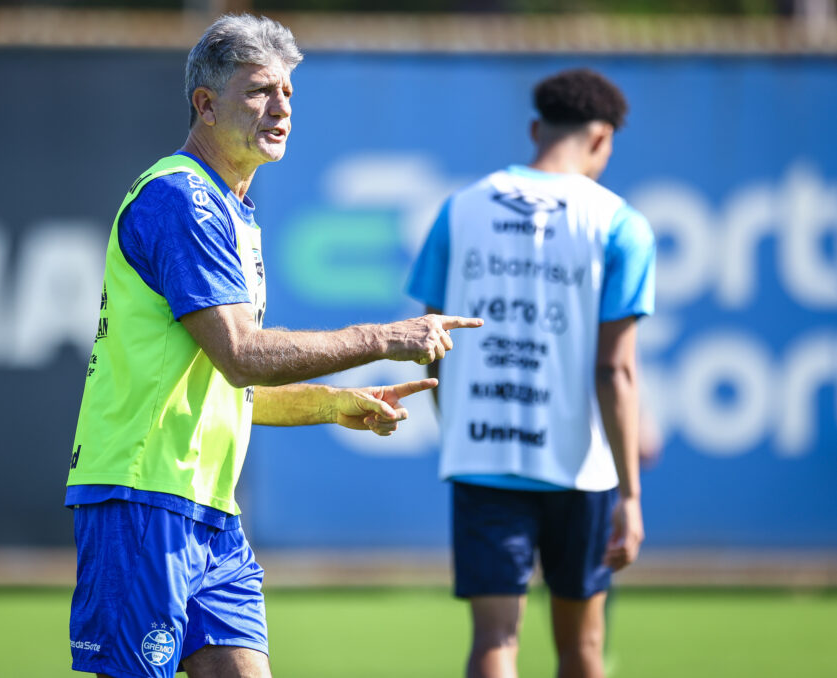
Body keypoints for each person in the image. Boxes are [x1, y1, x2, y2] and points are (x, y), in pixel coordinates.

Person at [65, 14, 482, 678]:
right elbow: (241, 354)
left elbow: (227, 382)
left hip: (208, 509)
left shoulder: (231, 211)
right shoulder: (182, 200)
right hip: (142, 498)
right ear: (204, 104)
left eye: (288, 91)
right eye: (260, 90)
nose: (282, 107)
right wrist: (385, 338)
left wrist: (331, 404)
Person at [407, 68, 655, 678]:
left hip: (483, 456)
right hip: (582, 467)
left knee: (495, 638)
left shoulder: (459, 209)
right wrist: (629, 493)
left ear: (536, 128)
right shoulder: (619, 223)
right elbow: (615, 370)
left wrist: (460, 429)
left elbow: (431, 343)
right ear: (602, 139)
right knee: (583, 648)